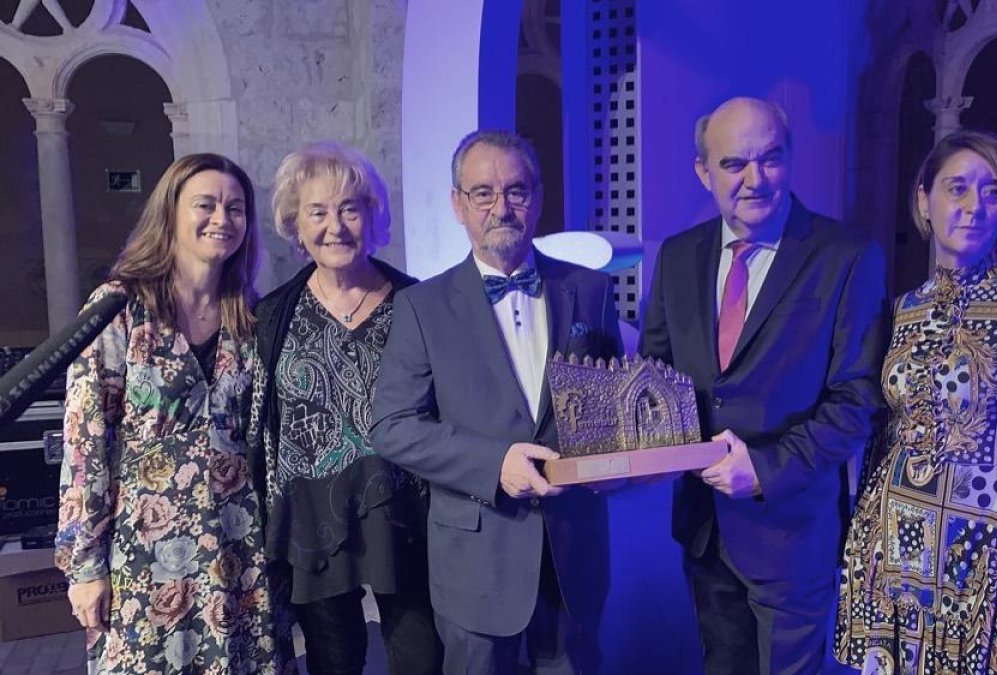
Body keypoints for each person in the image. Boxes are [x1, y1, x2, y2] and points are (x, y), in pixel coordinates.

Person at [834, 129, 997, 675]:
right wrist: (859, 554)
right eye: (957, 188)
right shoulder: (903, 309)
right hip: (896, 559)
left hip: (994, 565)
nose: (974, 207)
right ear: (923, 200)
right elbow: (886, 434)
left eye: (993, 192)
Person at [639, 96, 890, 674]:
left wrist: (766, 468)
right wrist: (625, 458)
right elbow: (657, 378)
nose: (755, 179)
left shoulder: (847, 256)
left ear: (789, 160)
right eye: (734, 164)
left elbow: (857, 402)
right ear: (704, 172)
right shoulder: (678, 256)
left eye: (770, 159)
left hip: (792, 533)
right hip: (703, 529)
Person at [370, 130, 622, 674]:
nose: (501, 207)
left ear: (537, 197)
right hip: (477, 563)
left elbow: (612, 404)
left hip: (573, 554)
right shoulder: (421, 306)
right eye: (482, 193)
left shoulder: (591, 291)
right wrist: (494, 464)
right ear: (458, 204)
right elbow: (391, 425)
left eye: (516, 190)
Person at [55, 153, 292, 673]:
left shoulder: (248, 316)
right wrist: (84, 567)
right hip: (143, 556)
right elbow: (85, 443)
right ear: (170, 213)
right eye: (204, 205)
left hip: (238, 548)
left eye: (235, 208)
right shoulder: (119, 306)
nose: (221, 219)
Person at [248, 142, 439, 675]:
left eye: (350, 208)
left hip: (406, 514)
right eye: (318, 211)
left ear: (372, 217)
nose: (336, 226)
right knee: (333, 666)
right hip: (311, 521)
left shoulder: (419, 304)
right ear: (296, 223)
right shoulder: (271, 315)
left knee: (423, 660)